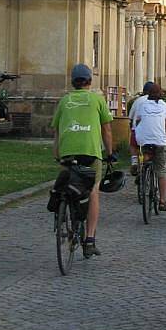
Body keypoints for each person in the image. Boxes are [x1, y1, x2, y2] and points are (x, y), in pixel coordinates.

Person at [52, 63, 114, 258]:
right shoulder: (97, 99)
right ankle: (89, 239)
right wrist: (110, 153)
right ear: (90, 81)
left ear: (73, 82)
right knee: (94, 190)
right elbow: (106, 129)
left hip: (67, 152)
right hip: (90, 152)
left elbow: (56, 130)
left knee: (67, 182)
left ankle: (64, 211)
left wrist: (57, 154)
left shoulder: (64, 101)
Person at [133, 82, 166, 210]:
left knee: (145, 152)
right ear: (160, 95)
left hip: (143, 139)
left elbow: (137, 119)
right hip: (159, 140)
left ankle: (142, 168)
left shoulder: (142, 104)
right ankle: (162, 201)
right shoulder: (164, 105)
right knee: (161, 170)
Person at [128, 81, 155, 175]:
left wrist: (131, 128)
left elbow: (130, 118)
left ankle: (134, 162)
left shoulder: (138, 101)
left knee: (133, 144)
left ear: (144, 91)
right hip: (154, 133)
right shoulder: (159, 102)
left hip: (138, 132)